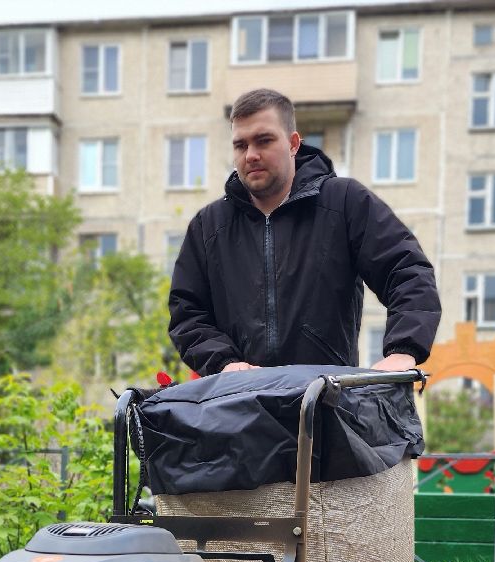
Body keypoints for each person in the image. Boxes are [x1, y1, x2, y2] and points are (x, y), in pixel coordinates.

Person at [169, 88, 441, 376]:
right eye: (240, 145)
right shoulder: (209, 226)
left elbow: (407, 271)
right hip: (240, 407)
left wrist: (402, 350)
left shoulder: (345, 203)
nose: (251, 155)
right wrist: (224, 362)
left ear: (293, 143)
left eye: (264, 141)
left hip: (326, 402)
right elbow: (187, 312)